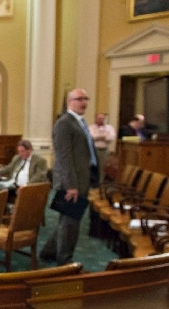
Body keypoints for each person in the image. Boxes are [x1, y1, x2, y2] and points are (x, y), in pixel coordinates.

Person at [40, 88, 97, 266]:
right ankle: (64, 261)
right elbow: (64, 157)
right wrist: (71, 185)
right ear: (70, 101)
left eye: (86, 98)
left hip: (82, 178)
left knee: (68, 219)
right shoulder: (64, 123)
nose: (84, 102)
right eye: (80, 99)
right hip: (71, 181)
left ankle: (48, 251)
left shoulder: (80, 122)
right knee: (70, 222)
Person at [88, 112, 116, 185]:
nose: (101, 120)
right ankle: (91, 182)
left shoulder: (109, 128)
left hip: (104, 150)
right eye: (99, 118)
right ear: (95, 119)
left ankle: (100, 183)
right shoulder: (91, 127)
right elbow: (91, 137)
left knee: (102, 167)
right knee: (92, 166)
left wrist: (99, 137)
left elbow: (111, 137)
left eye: (103, 118)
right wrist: (102, 137)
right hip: (94, 149)